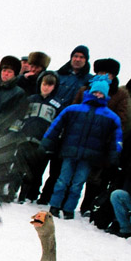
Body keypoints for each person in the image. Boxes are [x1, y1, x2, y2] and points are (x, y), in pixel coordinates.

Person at [43, 76, 123, 220]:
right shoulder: (73, 110)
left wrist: (114, 154)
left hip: (90, 157)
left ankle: (69, 209)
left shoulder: (111, 117)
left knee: (78, 184)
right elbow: (56, 126)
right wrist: (47, 140)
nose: (97, 95)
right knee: (62, 180)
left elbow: (116, 138)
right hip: (70, 151)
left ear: (106, 95)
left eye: (101, 93)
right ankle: (55, 205)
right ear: (90, 91)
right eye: (95, 92)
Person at [37, 45, 93, 204]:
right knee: (41, 159)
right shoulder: (59, 75)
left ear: (86, 60)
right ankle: (31, 192)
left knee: (58, 166)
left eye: (81, 57)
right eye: (75, 56)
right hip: (51, 122)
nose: (77, 59)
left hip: (71, 128)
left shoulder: (88, 80)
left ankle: (47, 196)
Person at [12, 70, 62, 203]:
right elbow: (19, 117)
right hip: (24, 139)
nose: (46, 87)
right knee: (17, 168)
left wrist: (51, 142)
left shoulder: (57, 105)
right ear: (40, 84)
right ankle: (11, 192)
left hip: (41, 143)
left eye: (50, 85)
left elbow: (58, 126)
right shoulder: (30, 99)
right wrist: (15, 133)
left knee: (33, 171)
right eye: (44, 84)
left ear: (54, 87)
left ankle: (24, 196)